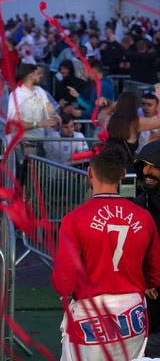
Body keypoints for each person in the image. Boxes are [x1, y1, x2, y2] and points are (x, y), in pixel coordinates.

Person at [52, 144, 160, 361]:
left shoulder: (75, 219)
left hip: (90, 314)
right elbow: (155, 274)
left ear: (90, 172)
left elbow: (63, 282)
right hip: (132, 314)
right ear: (122, 175)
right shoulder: (143, 216)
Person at [134, 141, 160, 357]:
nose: (146, 172)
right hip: (148, 301)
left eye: (154, 166)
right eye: (144, 165)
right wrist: (142, 279)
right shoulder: (138, 206)